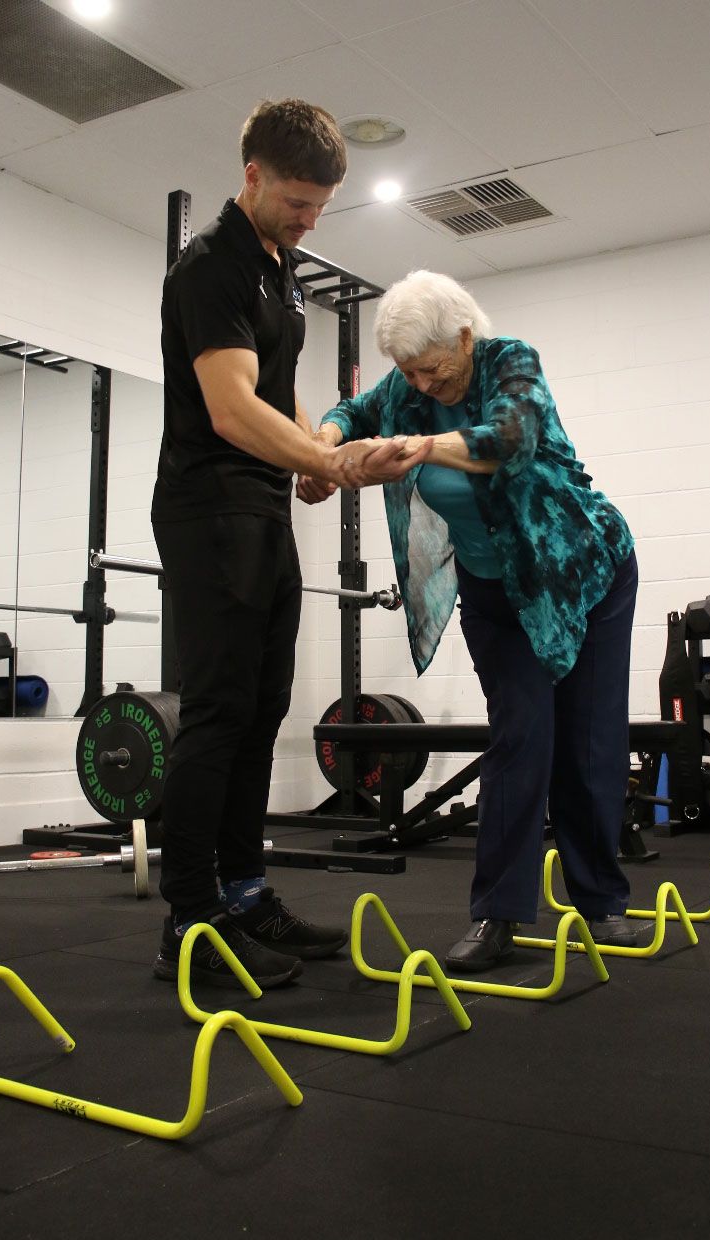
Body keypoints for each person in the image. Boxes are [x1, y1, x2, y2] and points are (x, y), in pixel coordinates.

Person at [150, 99, 428, 989]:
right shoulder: (210, 270)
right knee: (219, 714)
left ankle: (243, 894)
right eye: (299, 202)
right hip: (209, 510)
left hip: (262, 508)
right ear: (254, 176)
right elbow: (232, 411)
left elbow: (275, 391)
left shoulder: (282, 269)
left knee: (264, 712)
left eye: (321, 206)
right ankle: (190, 927)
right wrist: (330, 463)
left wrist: (318, 453)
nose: (311, 219)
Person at [309, 270, 640, 971]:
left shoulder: (508, 360)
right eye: (409, 373)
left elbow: (513, 441)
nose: (421, 387)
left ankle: (602, 904)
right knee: (521, 740)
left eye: (430, 369)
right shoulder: (408, 387)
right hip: (497, 597)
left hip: (584, 575)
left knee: (588, 742)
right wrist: (320, 450)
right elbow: (356, 411)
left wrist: (422, 448)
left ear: (463, 337)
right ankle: (499, 916)